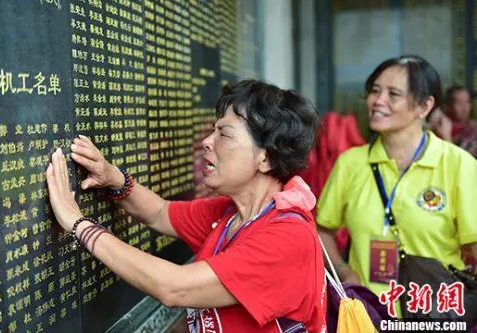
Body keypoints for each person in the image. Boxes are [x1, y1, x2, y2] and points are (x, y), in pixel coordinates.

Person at [45, 80, 327, 333]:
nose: (207, 142)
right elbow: (160, 213)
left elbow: (174, 288)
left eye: (224, 134)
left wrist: (77, 224)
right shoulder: (232, 214)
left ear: (265, 158)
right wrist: (112, 178)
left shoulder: (286, 237)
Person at [316, 55, 477, 316]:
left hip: (435, 317)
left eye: (393, 94)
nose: (378, 101)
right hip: (368, 317)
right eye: (375, 91)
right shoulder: (351, 163)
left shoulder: (458, 165)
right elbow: (322, 230)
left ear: (424, 106)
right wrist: (344, 271)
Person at [443, 85, 477, 157]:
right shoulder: (441, 127)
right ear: (448, 106)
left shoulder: (474, 129)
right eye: (459, 103)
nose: (465, 107)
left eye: (467, 102)